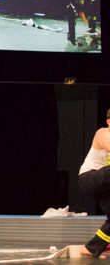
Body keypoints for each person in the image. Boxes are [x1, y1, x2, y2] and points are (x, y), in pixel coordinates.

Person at [79, 109, 110, 258]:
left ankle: (91, 248)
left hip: (106, 185)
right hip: (89, 178)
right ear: (109, 121)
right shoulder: (102, 133)